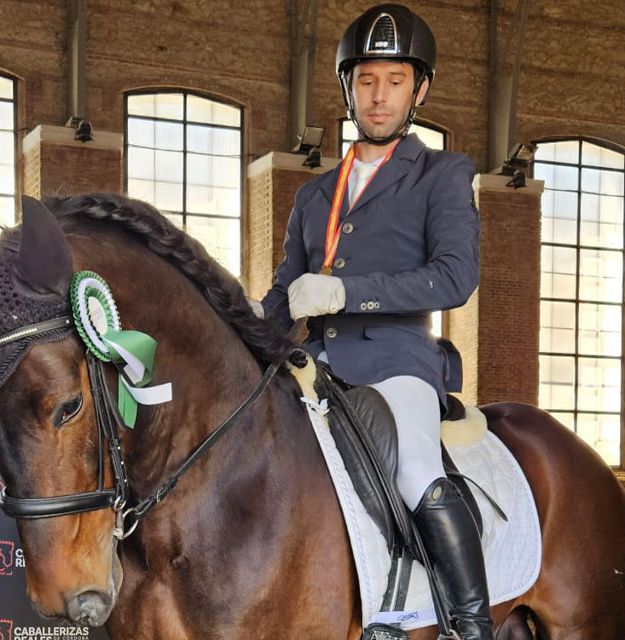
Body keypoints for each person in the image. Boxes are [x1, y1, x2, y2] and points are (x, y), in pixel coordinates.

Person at [258, 4, 491, 639]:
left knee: (415, 466)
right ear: (348, 88)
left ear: (419, 89)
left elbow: (454, 278)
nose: (378, 96)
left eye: (393, 80)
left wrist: (345, 290)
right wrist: (247, 321)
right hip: (314, 369)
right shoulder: (314, 195)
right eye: (365, 80)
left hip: (398, 362)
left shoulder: (442, 175)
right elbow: (285, 293)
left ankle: (469, 623)